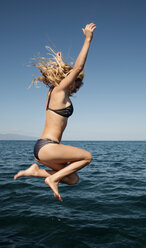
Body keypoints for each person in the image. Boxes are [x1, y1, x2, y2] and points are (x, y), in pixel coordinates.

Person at [14, 23, 96, 202]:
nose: (75, 89)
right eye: (76, 85)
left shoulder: (52, 92)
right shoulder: (59, 91)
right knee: (87, 157)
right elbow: (77, 68)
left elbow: (66, 74)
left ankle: (36, 171)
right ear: (70, 81)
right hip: (47, 147)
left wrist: (59, 62)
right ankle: (52, 178)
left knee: (73, 179)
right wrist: (88, 39)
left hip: (44, 150)